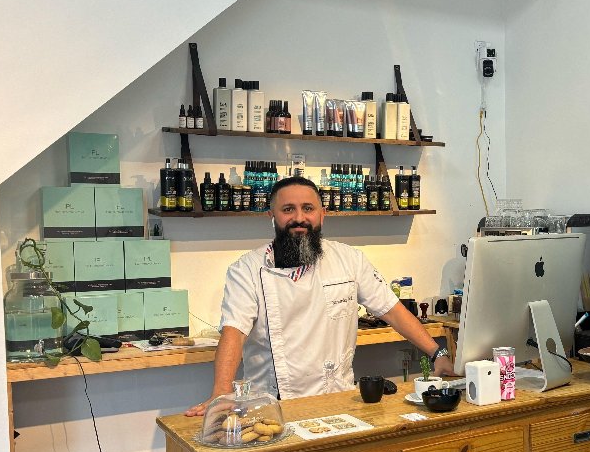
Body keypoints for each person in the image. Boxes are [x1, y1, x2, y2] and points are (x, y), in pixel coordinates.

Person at [185, 175, 453, 415]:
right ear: (272, 216)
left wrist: (437, 353)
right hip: (272, 406)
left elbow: (391, 310)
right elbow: (234, 331)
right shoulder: (246, 270)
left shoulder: (349, 260)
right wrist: (221, 394)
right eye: (288, 209)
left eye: (308, 209)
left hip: (339, 400)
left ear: (322, 215)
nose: (299, 218)